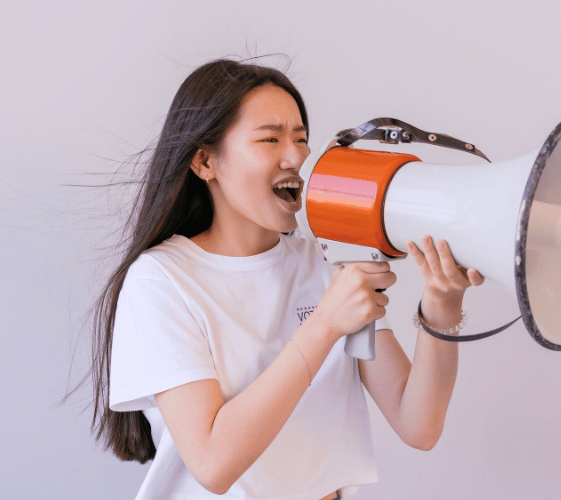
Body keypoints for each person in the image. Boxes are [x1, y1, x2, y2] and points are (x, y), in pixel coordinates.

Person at [90, 58, 485, 500]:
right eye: (270, 139)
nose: (297, 156)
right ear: (205, 161)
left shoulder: (326, 263)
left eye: (300, 139)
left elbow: (419, 425)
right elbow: (213, 463)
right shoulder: (161, 281)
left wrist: (443, 306)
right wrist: (324, 325)